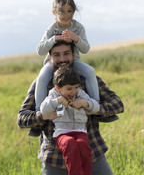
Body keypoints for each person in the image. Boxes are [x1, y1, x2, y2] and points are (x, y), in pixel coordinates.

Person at [17, 40, 124, 175]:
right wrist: (43, 116)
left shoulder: (86, 80)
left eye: (66, 53)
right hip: (54, 159)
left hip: (91, 153)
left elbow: (117, 104)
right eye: (57, 55)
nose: (62, 59)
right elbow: (21, 118)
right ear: (50, 57)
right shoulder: (42, 84)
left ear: (73, 55)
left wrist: (92, 108)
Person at [35, 0, 100, 117]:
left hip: (73, 61)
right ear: (54, 12)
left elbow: (85, 49)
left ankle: (96, 104)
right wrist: (55, 38)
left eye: (70, 11)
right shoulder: (51, 29)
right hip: (52, 63)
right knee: (42, 77)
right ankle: (39, 111)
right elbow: (40, 51)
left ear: (74, 12)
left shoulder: (78, 27)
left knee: (90, 71)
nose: (66, 15)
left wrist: (76, 38)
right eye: (61, 11)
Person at [40, 67, 100, 175]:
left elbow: (96, 107)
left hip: (80, 131)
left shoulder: (80, 94)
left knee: (83, 144)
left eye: (76, 87)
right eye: (69, 89)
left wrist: (84, 103)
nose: (73, 91)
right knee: (69, 143)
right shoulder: (54, 94)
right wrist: (57, 101)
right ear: (58, 88)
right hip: (62, 133)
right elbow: (43, 109)